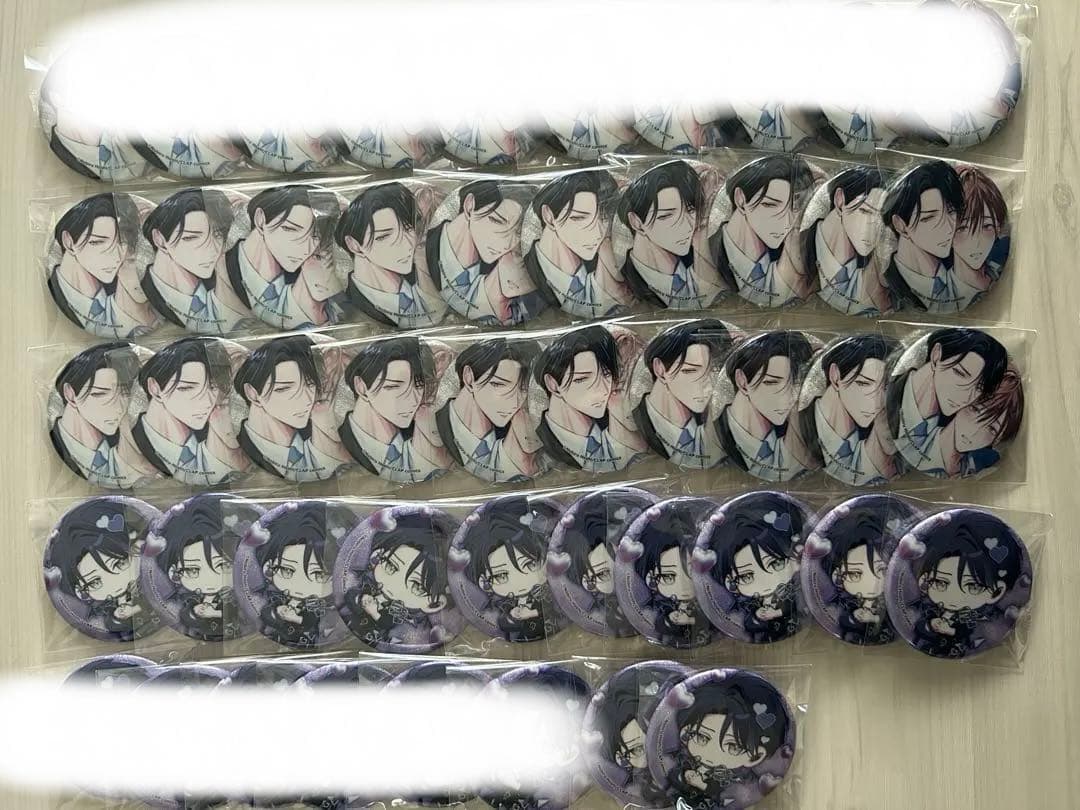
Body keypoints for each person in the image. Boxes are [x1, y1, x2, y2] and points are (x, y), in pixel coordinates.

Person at [886, 328, 1009, 475]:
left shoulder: (951, 431)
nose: (965, 396)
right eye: (960, 373)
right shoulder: (886, 397)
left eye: (978, 388)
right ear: (936, 355)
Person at [226, 185, 347, 330]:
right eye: (291, 229)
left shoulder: (311, 276)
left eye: (315, 236)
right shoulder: (218, 271)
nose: (305, 249)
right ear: (260, 219)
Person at [425, 179, 545, 325]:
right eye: (498, 221)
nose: (508, 245)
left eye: (517, 233)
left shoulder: (504, 271)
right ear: (470, 206)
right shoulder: (421, 249)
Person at [131, 337, 248, 485]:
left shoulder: (213, 440)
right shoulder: (129, 444)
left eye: (213, 387)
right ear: (155, 388)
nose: (207, 402)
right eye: (187, 388)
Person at [234, 335, 351, 482]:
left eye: (310, 385)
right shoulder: (236, 451)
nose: (305, 400)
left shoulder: (322, 436)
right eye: (284, 389)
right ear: (252, 393)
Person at [910, 511, 1024, 658]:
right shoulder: (926, 608)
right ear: (925, 581)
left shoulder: (984, 618)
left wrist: (951, 631)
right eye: (941, 582)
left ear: (996, 592)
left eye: (973, 586)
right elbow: (917, 628)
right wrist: (930, 625)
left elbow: (969, 635)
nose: (954, 595)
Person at [338, 337, 452, 484]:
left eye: (419, 386)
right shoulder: (337, 443)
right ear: (361, 386)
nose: (412, 400)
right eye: (394, 386)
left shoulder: (422, 434)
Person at [535, 326, 648, 473]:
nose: (602, 390)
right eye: (582, 379)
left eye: (606, 375)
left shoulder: (616, 421)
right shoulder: (537, 443)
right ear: (553, 384)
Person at [665, 673, 790, 803]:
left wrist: (702, 785)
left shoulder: (738, 780)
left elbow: (721, 795)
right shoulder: (684, 760)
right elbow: (672, 777)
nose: (711, 752)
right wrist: (684, 776)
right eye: (702, 737)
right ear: (686, 733)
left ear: (755, 757)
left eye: (733, 747)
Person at [141, 189, 253, 334]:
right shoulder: (141, 295)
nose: (212, 250)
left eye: (218, 234)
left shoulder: (222, 283)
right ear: (160, 240)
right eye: (191, 237)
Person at [523, 170, 633, 318]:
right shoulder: (520, 273)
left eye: (604, 219)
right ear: (549, 216)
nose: (598, 234)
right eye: (580, 218)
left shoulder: (607, 263)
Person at [47, 194, 160, 338]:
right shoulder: (54, 294)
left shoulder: (120, 296)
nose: (116, 257)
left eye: (121, 243)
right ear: (69, 242)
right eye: (98, 242)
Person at [617, 161, 725, 310]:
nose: (687, 226)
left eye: (691, 210)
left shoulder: (704, 259)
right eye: (666, 215)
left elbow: (716, 296)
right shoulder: (621, 282)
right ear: (636, 222)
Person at [336, 182, 446, 328]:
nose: (407, 245)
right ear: (354, 245)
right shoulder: (347, 305)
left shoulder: (423, 274)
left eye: (409, 229)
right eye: (384, 236)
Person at [435, 338, 545, 483]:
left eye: (523, 389)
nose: (514, 402)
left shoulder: (518, 431)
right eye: (499, 385)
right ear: (469, 377)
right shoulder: (431, 427)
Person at [712, 155, 816, 308]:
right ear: (740, 199)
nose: (787, 222)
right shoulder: (703, 253)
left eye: (794, 208)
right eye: (770, 205)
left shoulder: (793, 251)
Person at [49, 343, 156, 488]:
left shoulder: (122, 448)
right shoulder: (60, 444)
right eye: (100, 394)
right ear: (70, 394)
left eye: (125, 394)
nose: (118, 408)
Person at [340, 512, 454, 649]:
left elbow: (388, 625)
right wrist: (361, 598)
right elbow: (349, 596)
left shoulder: (416, 626)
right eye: (391, 566)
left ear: (434, 603)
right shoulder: (366, 582)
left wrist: (375, 613)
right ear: (377, 556)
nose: (395, 585)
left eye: (417, 586)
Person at [797, 335, 900, 486]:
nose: (877, 402)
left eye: (885, 388)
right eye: (864, 383)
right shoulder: (801, 424)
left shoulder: (876, 428)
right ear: (835, 376)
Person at [702, 493, 804, 643]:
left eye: (776, 564)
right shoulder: (747, 605)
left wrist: (777, 612)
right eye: (746, 576)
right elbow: (748, 624)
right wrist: (757, 616)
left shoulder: (791, 593)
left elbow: (796, 609)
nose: (765, 581)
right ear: (729, 581)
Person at [47, 499, 157, 639]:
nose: (115, 584)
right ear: (79, 590)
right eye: (95, 582)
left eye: (119, 564)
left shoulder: (150, 588)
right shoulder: (97, 614)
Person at [714, 331, 816, 481]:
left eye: (796, 385)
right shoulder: (715, 433)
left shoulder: (793, 431)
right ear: (742, 381)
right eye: (772, 382)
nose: (787, 397)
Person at [633, 320, 733, 469]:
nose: (707, 386)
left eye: (714, 373)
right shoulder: (636, 423)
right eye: (690, 371)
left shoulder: (713, 425)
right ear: (660, 369)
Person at [881, 161, 974, 312]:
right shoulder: (886, 284)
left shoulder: (963, 270)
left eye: (951, 212)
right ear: (900, 224)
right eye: (929, 218)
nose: (948, 228)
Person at [151, 494, 245, 641]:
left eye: (224, 565)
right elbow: (183, 615)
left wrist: (215, 613)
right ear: (173, 571)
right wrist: (195, 611)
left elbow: (240, 615)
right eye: (192, 570)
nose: (210, 579)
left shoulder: (236, 597)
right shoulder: (187, 599)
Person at [802, 167, 894, 316]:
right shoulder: (796, 247)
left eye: (881, 219)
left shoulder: (874, 270)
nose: (874, 227)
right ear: (840, 200)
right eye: (866, 211)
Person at [463, 498, 556, 642]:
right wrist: (512, 616)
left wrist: (532, 612)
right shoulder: (504, 604)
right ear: (484, 581)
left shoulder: (545, 593)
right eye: (501, 575)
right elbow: (503, 624)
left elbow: (555, 609)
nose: (520, 580)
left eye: (530, 564)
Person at [254, 503, 340, 648]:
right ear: (269, 566)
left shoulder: (328, 607)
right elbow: (264, 615)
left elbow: (324, 624)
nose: (301, 584)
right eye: (287, 570)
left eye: (319, 574)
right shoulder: (272, 597)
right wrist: (277, 613)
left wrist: (297, 619)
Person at [950, 166, 1010, 305]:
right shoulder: (937, 290)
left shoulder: (998, 271)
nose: (976, 243)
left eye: (987, 226)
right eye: (962, 228)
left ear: (998, 228)